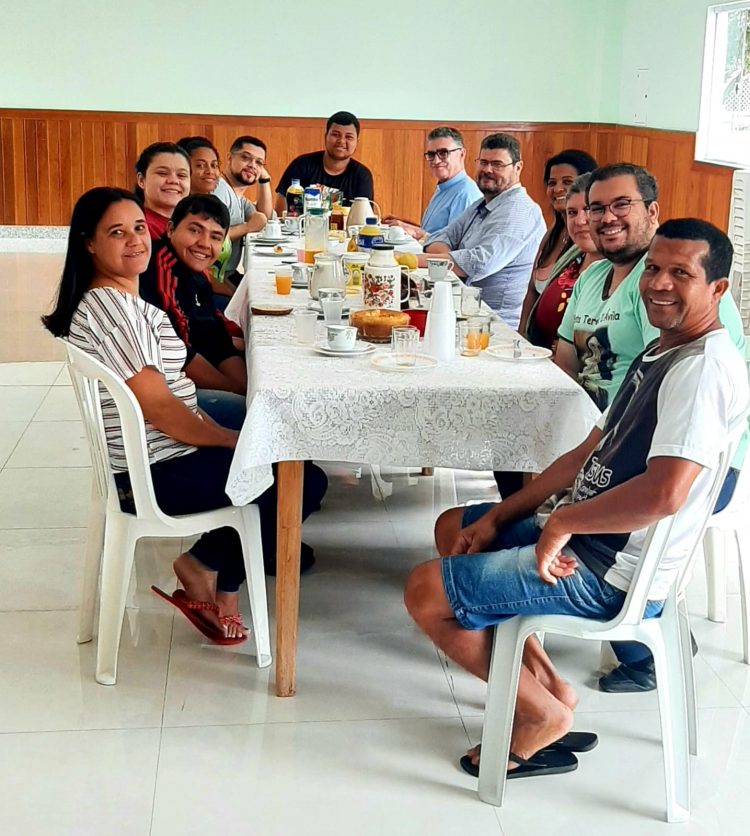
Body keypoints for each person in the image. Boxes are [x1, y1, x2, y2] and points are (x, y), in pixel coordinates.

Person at [404, 218, 749, 779]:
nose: (659, 283)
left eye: (680, 274)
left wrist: (562, 523)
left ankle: (540, 716)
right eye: (654, 269)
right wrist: (501, 514)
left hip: (609, 569)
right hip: (587, 539)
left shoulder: (701, 370)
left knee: (425, 591)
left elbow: (665, 493)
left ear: (717, 289)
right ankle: (549, 687)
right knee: (457, 528)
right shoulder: (662, 350)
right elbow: (586, 452)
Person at [41, 188, 328, 641]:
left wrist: (220, 433)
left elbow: (174, 402)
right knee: (301, 478)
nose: (135, 240)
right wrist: (230, 440)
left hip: (156, 457)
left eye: (139, 228)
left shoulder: (115, 300)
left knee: (285, 459)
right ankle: (210, 573)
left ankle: (210, 569)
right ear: (89, 243)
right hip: (154, 474)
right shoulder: (115, 312)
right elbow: (161, 410)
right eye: (117, 232)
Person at [556, 163, 747, 692]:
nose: (605, 217)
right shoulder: (597, 274)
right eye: (596, 207)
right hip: (615, 431)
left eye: (622, 205)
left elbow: (659, 409)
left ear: (651, 211)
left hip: (683, 458)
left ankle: (640, 636)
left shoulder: (673, 293)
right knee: (535, 466)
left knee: (570, 490)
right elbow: (568, 354)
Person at [416, 133, 546, 328]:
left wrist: (413, 260)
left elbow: (479, 263)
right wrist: (452, 262)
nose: (487, 170)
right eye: (483, 162)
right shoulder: (482, 204)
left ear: (518, 167)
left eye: (497, 164)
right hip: (467, 312)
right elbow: (439, 237)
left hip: (497, 324)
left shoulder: (519, 210)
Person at [139, 193, 248, 398]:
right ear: (171, 229)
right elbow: (179, 354)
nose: (204, 243)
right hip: (173, 384)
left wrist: (242, 383)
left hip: (200, 353)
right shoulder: (160, 269)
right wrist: (236, 389)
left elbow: (214, 331)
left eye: (215, 237)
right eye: (195, 230)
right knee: (247, 407)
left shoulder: (194, 269)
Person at [518, 150, 598, 335]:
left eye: (567, 182)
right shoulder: (550, 236)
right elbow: (531, 292)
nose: (558, 189)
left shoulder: (589, 244)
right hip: (535, 339)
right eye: (552, 183)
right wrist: (521, 337)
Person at [381, 127, 481, 239]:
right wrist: (403, 225)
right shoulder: (445, 187)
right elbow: (433, 231)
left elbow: (455, 245)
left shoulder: (465, 194)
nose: (436, 161)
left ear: (462, 154)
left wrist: (417, 233)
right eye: (431, 154)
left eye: (443, 153)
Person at [274, 111, 374, 215]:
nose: (341, 141)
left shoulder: (362, 175)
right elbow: (281, 211)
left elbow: (364, 217)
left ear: (357, 141)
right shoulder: (301, 165)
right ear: (325, 136)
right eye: (335, 135)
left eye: (348, 137)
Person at [176, 136, 234, 307]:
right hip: (196, 296)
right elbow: (198, 274)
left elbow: (216, 273)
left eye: (214, 165)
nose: (210, 171)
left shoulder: (213, 207)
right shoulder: (181, 213)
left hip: (215, 287)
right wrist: (236, 296)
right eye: (200, 165)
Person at [212, 135, 269, 288]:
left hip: (228, 274)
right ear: (229, 158)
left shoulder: (237, 194)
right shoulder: (219, 190)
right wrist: (247, 227)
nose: (252, 165)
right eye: (245, 158)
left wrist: (264, 180)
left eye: (259, 162)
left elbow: (265, 216)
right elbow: (210, 238)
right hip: (215, 279)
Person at [134, 142, 191, 240]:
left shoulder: (195, 224)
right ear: (141, 180)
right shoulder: (138, 226)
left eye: (181, 175)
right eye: (162, 173)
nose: (173, 181)